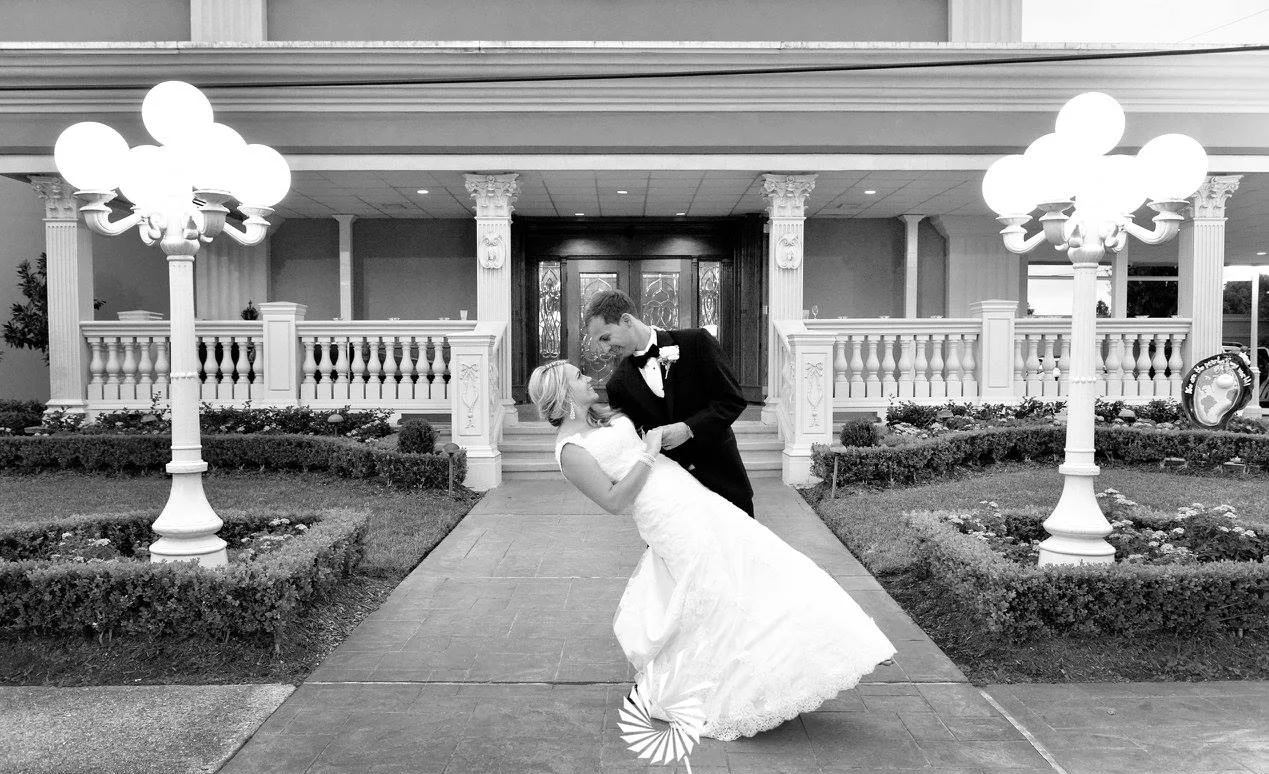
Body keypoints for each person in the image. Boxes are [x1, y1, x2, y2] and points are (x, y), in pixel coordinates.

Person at [528, 359, 895, 741]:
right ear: (564, 394)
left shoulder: (601, 417)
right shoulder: (570, 451)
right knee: (716, 591)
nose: (588, 377)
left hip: (691, 496)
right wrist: (647, 454)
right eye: (578, 377)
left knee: (762, 558)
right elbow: (613, 500)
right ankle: (732, 691)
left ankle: (841, 643)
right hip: (666, 517)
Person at [584, 290, 755, 518]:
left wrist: (689, 428)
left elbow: (732, 400)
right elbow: (634, 444)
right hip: (672, 499)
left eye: (605, 338)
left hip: (724, 481)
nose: (605, 349)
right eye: (599, 343)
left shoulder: (696, 342)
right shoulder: (617, 385)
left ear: (626, 320)